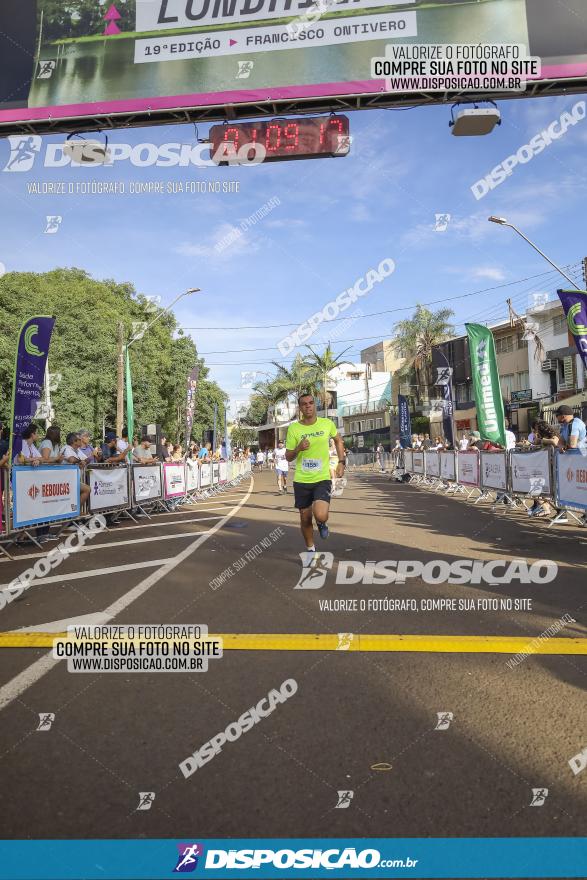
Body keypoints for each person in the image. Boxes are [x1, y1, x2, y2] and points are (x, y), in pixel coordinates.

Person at [285, 393, 346, 561]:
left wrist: (341, 462)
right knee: (305, 519)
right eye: (304, 404)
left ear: (315, 405)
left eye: (311, 403)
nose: (308, 406)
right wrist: (298, 448)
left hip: (322, 478)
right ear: (300, 408)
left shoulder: (327, 424)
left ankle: (321, 523)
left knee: (320, 514)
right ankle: (311, 550)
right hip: (302, 480)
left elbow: (338, 441)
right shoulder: (294, 429)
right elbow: (288, 456)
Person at [61, 432, 91, 508]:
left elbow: (87, 459)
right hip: (64, 480)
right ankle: (76, 511)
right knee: (87, 489)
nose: (81, 441)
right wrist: (80, 461)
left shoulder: (77, 450)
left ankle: (76, 511)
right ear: (74, 441)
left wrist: (83, 461)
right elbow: (71, 459)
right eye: (80, 440)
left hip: (72, 480)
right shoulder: (66, 448)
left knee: (86, 490)